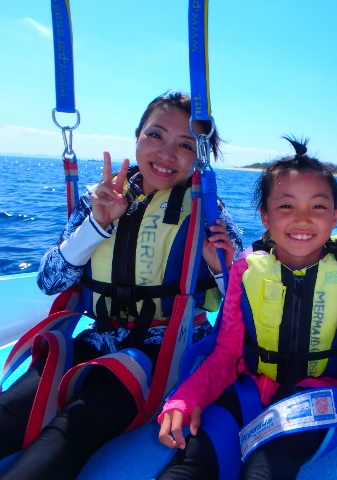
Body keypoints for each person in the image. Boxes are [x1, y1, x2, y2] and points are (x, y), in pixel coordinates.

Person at [0, 91, 242, 479]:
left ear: (200, 156)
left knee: (74, 426)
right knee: (11, 410)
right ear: (137, 136)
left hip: (166, 349)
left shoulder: (210, 214)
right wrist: (96, 226)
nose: (166, 153)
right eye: (155, 135)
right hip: (98, 337)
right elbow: (49, 280)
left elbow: (245, 312)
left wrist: (220, 268)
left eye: (185, 145)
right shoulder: (98, 199)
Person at [157, 137, 337, 480]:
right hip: (249, 390)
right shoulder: (245, 273)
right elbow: (226, 353)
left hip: (317, 397)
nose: (303, 219)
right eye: (287, 206)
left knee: (264, 471)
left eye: (318, 206)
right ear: (265, 216)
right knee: (189, 466)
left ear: (335, 216)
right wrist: (186, 397)